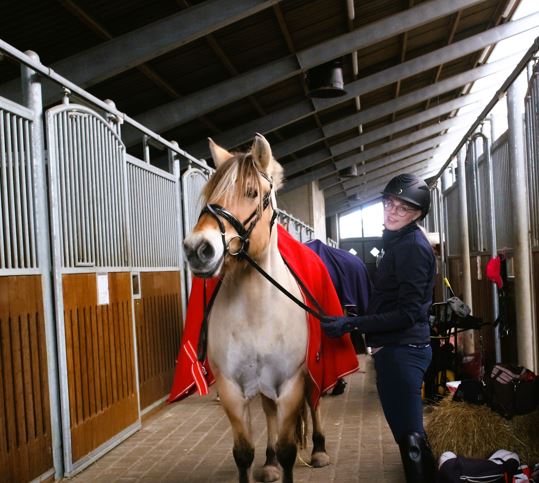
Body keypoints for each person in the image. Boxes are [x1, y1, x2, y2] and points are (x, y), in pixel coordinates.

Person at [320, 173, 436, 483]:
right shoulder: (399, 242)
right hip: (395, 349)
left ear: (418, 214)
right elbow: (392, 301)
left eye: (402, 209)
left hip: (404, 350)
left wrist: (353, 323)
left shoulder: (411, 247)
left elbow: (409, 312)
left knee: (410, 437)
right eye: (389, 204)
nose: (391, 212)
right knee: (406, 433)